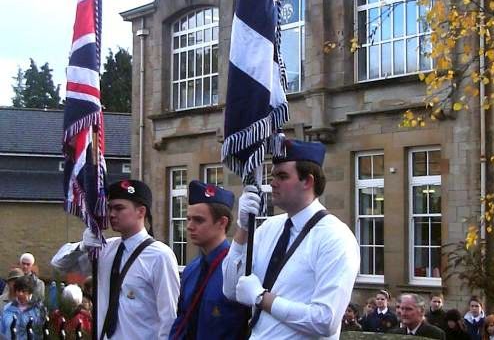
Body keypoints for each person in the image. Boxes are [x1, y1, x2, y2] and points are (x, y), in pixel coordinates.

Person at [222, 139, 360, 339]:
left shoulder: (334, 236)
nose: (272, 183)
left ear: (308, 181)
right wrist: (243, 229)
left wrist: (262, 298)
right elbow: (230, 289)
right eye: (272, 175)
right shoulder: (269, 228)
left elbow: (325, 321)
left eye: (282, 176)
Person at [51, 179, 180, 340]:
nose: (112, 214)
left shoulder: (160, 256)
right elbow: (59, 265)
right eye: (110, 208)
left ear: (141, 211)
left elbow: (168, 317)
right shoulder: (105, 249)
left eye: (119, 208)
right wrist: (83, 246)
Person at [170, 180, 248, 339]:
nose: (190, 226)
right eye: (188, 219)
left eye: (198, 220)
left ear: (222, 222)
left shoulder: (237, 269)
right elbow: (182, 320)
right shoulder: (191, 269)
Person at [0, 276, 46, 340]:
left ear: (31, 292)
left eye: (23, 291)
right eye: (18, 290)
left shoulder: (39, 309)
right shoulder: (7, 308)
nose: (20, 294)